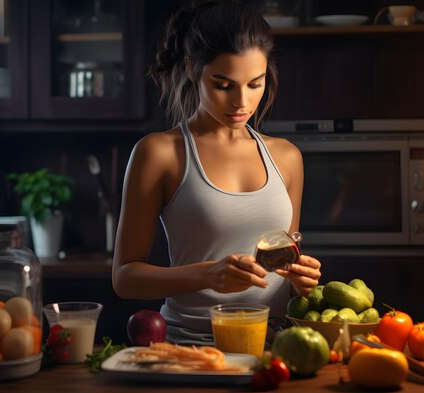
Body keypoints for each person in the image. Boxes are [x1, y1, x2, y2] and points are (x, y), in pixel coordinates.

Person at [112, 0, 322, 345]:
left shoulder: (286, 157)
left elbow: (284, 261)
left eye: (255, 84)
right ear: (194, 69)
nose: (242, 102)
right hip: (190, 348)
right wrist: (208, 274)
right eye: (224, 85)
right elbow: (125, 278)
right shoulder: (160, 153)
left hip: (274, 349)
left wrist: (300, 280)